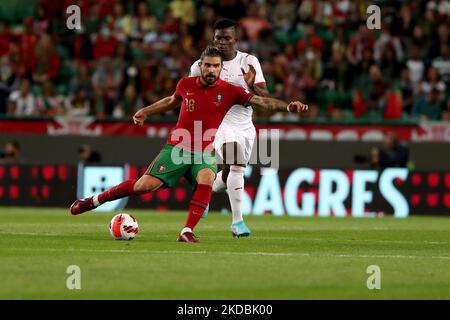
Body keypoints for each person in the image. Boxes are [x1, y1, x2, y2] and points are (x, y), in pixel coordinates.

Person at [69, 46, 308, 243]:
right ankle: (94, 201)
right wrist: (145, 111)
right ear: (200, 66)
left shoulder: (231, 91)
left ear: (221, 68)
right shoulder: (186, 84)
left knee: (207, 177)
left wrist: (287, 106)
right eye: (208, 65)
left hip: (204, 151)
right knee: (143, 187)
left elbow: (261, 102)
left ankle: (186, 231)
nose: (212, 70)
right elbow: (171, 101)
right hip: (177, 149)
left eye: (216, 66)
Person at [189, 19, 270, 238]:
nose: (223, 42)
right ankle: (237, 222)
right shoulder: (200, 66)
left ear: (236, 39)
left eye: (227, 38)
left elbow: (265, 101)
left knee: (230, 173)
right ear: (213, 39)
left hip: (245, 125)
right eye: (218, 38)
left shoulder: (249, 62)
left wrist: (251, 84)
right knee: (236, 164)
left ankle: (203, 194)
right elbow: (190, 96)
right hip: (218, 122)